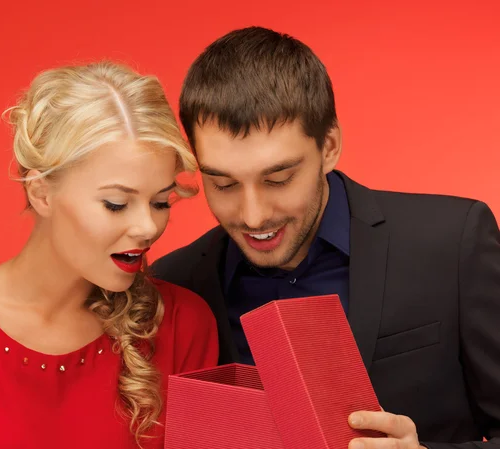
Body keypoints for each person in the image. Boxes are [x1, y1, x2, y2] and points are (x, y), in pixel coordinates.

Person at [151, 26, 500, 449]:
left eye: (279, 178)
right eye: (223, 184)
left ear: (329, 146)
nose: (253, 214)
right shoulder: (175, 286)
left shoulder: (451, 243)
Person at [0, 61, 218, 449]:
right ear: (41, 192)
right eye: (116, 204)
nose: (148, 227)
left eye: (160, 201)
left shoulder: (183, 325)